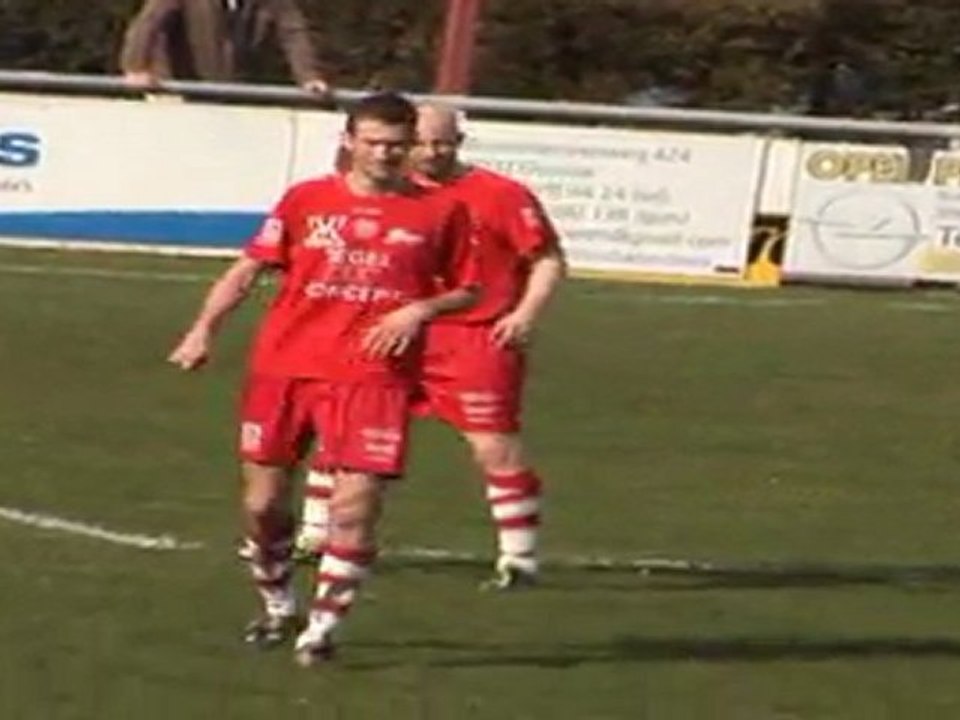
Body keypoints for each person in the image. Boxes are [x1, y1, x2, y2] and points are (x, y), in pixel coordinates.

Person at [168, 92, 478, 666]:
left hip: (374, 376)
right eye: (373, 143)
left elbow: (467, 286)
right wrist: (202, 330)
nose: (385, 154)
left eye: (395, 144)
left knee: (353, 509)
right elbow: (249, 268)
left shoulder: (441, 211)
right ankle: (279, 603)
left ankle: (323, 630)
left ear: (410, 146)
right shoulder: (306, 200)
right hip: (285, 368)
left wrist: (417, 311)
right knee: (263, 505)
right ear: (349, 141)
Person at [296, 104, 566, 590]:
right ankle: (315, 535)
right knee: (342, 429)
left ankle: (519, 559)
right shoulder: (382, 192)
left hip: (473, 335)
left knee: (493, 445)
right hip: (389, 331)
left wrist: (524, 313)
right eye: (421, 142)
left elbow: (546, 258)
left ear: (460, 142)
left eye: (444, 142)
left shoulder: (500, 195)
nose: (431, 152)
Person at [120, 0, 329, 93]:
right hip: (180, 89)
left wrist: (309, 76)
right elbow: (150, 21)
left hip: (234, 90)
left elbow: (292, 29)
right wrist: (136, 67)